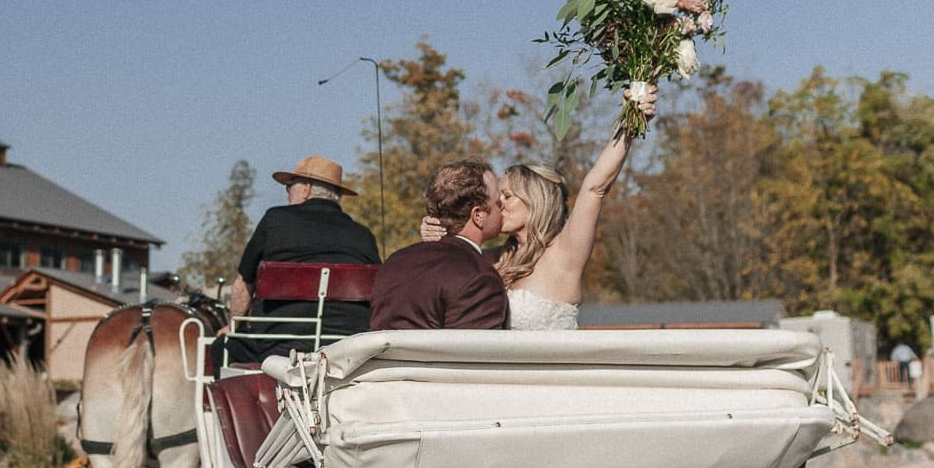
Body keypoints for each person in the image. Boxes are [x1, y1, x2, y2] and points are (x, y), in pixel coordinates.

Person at [417, 84, 658, 329]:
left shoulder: (565, 253)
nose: (498, 203)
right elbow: (448, 263)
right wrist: (438, 233)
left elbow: (594, 189)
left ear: (535, 200)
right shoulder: (493, 259)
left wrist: (629, 126)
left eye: (507, 196)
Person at [229, 154, 381, 363]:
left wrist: (232, 327)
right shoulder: (364, 236)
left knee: (223, 346)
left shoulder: (275, 219)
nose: (287, 195)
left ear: (306, 189)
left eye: (289, 187)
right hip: (347, 350)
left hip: (278, 347)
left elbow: (242, 285)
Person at [370, 160, 509, 330]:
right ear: (478, 215)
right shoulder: (478, 277)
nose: (503, 207)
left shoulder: (394, 263)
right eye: (498, 203)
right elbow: (476, 353)